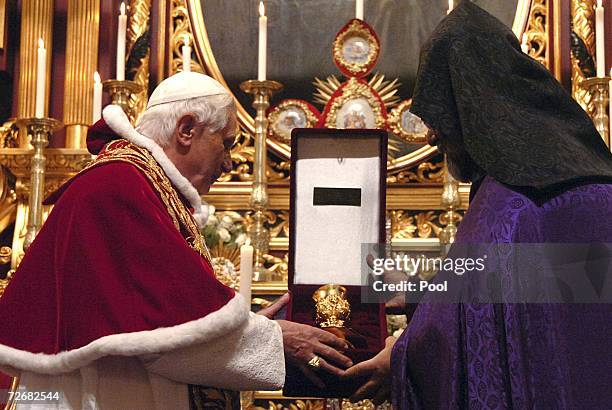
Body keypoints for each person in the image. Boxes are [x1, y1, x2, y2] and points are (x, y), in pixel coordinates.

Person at [0, 72, 352, 409]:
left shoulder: (141, 183)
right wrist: (275, 339)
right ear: (186, 129)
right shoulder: (118, 186)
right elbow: (162, 333)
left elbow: (168, 315)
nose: (229, 162)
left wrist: (241, 326)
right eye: (225, 143)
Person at [344, 1, 612, 408]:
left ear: (469, 108)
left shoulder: (508, 201)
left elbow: (463, 325)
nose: (433, 137)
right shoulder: (586, 177)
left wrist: (401, 356)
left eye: (439, 117)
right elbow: (560, 278)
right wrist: (421, 292)